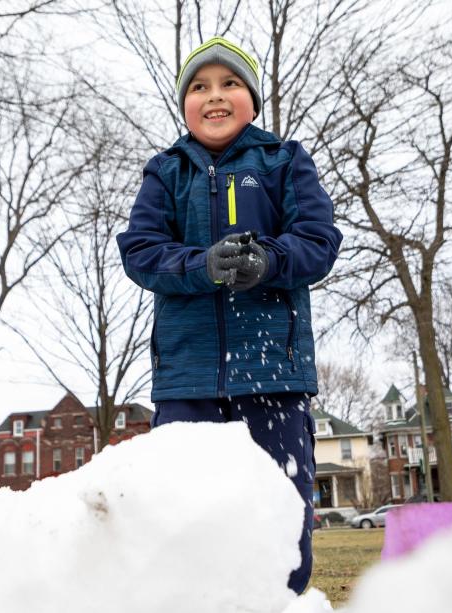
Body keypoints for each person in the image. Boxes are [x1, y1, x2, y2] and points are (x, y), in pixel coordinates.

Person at [116, 37, 342, 594]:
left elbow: (318, 241)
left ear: (253, 98)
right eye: (199, 87)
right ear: (184, 103)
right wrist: (203, 265)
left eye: (229, 83)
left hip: (273, 375)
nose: (214, 97)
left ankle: (282, 605)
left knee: (281, 517)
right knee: (181, 520)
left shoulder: (285, 160)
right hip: (186, 380)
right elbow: (140, 252)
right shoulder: (166, 172)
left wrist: (268, 260)